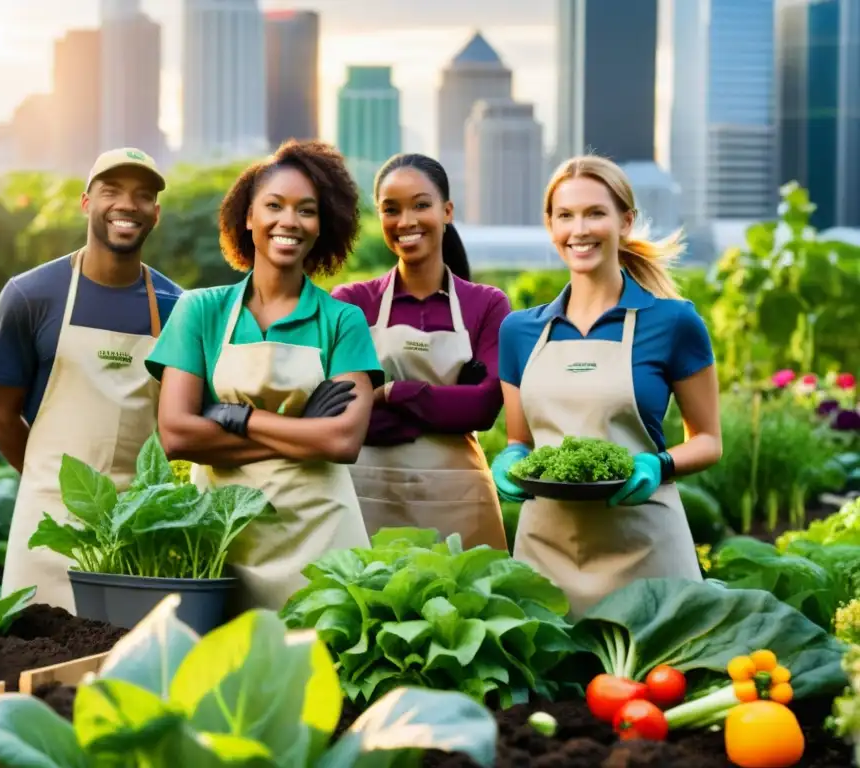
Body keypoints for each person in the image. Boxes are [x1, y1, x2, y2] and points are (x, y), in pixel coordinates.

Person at [146, 139, 382, 611]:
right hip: (223, 541)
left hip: (321, 540)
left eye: (306, 210)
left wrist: (236, 417)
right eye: (273, 205)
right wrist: (302, 431)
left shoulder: (342, 321)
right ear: (248, 217)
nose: (289, 221)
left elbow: (341, 443)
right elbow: (176, 434)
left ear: (322, 225)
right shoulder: (200, 311)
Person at [492, 154, 722, 617]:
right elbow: (520, 439)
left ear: (625, 221)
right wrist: (511, 457)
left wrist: (657, 465)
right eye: (565, 215)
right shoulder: (519, 331)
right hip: (546, 558)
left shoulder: (674, 322)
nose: (580, 229)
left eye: (595, 213)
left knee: (650, 686)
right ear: (551, 226)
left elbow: (709, 442)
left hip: (647, 552)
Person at [0, 147, 182, 611]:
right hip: (49, 523)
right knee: (35, 666)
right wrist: (49, 487)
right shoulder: (31, 296)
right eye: (111, 190)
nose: (127, 204)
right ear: (86, 202)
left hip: (139, 531)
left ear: (156, 212)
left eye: (143, 195)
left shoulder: (177, 308)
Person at [332, 153, 511, 551]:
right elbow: (339, 409)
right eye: (391, 209)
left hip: (461, 502)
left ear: (446, 211)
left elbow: (482, 408)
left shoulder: (486, 304)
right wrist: (436, 411)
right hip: (368, 496)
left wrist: (394, 394)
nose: (406, 221)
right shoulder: (352, 303)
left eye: (421, 205)